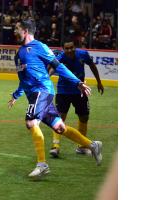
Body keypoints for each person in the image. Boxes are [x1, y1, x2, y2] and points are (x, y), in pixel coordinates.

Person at [8, 18, 102, 179]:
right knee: (60, 128)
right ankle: (92, 145)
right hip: (34, 96)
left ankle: (42, 165)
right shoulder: (19, 54)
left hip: (42, 91)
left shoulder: (39, 47)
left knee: (31, 121)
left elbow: (59, 66)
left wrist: (77, 82)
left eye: (16, 28)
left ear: (25, 31)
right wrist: (17, 95)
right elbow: (24, 79)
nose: (14, 31)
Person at [50, 38, 104, 158]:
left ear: (75, 47)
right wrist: (47, 77)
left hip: (80, 91)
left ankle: (82, 147)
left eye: (71, 47)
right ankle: (55, 146)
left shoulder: (83, 54)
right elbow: (53, 68)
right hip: (63, 91)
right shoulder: (61, 57)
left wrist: (99, 82)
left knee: (84, 117)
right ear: (63, 49)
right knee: (59, 118)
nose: (69, 50)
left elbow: (92, 66)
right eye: (66, 48)